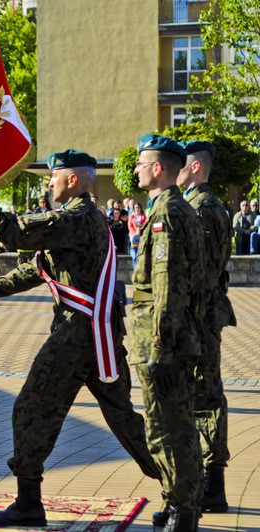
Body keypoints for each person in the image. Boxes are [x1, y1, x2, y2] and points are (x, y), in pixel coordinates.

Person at [0, 149, 160, 527]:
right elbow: (35, 271)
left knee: (31, 409)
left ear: (72, 180)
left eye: (53, 177)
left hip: (76, 337)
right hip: (95, 335)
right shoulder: (79, 220)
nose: (48, 183)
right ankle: (185, 485)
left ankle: (29, 503)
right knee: (123, 419)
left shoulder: (77, 218)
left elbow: (12, 233)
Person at [153, 140, 235, 526]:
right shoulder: (212, 204)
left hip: (201, 314)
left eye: (183, 165)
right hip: (207, 311)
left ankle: (209, 485)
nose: (179, 171)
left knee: (203, 397)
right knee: (206, 394)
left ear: (196, 168)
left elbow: (198, 269)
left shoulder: (200, 207)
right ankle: (208, 484)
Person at [130, 134, 205, 531]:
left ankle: (185, 509)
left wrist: (159, 346)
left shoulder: (167, 215)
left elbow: (168, 286)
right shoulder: (172, 208)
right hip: (172, 336)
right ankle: (179, 502)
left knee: (167, 428)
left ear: (158, 168)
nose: (137, 169)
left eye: (142, 163)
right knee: (174, 423)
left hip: (165, 340)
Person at [128, 202, 147, 269]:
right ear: (134, 208)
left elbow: (145, 226)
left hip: (142, 235)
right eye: (136, 207)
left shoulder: (144, 216)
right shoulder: (131, 216)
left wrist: (140, 232)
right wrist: (135, 233)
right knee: (135, 255)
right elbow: (130, 226)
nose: (137, 209)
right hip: (133, 234)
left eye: (138, 207)